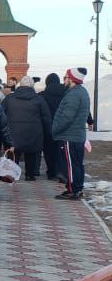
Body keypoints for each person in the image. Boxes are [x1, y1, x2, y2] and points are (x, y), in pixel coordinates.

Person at [52, 68, 91, 201]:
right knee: (76, 164)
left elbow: (66, 117)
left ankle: (73, 190)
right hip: (76, 135)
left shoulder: (74, 94)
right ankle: (76, 189)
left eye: (65, 78)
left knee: (70, 165)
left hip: (69, 136)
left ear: (71, 79)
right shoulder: (80, 92)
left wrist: (55, 129)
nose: (64, 80)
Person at [41, 72, 67, 180]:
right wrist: (89, 120)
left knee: (48, 150)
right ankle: (61, 171)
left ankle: (51, 172)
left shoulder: (42, 95)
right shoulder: (67, 92)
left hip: (47, 126)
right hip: (63, 126)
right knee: (61, 150)